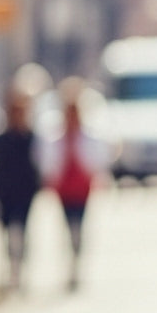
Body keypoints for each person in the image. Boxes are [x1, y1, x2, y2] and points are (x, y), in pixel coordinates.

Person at [37, 81, 106, 293]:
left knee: (78, 226)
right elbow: (48, 162)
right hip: (64, 189)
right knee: (67, 226)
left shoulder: (88, 135)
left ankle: (76, 264)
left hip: (82, 189)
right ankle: (69, 263)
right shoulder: (56, 136)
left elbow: (97, 160)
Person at [0, 88, 41, 293]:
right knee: (7, 231)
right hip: (4, 191)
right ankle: (11, 268)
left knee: (22, 230)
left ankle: (19, 269)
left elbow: (40, 163)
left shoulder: (31, 138)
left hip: (25, 191)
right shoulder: (0, 139)